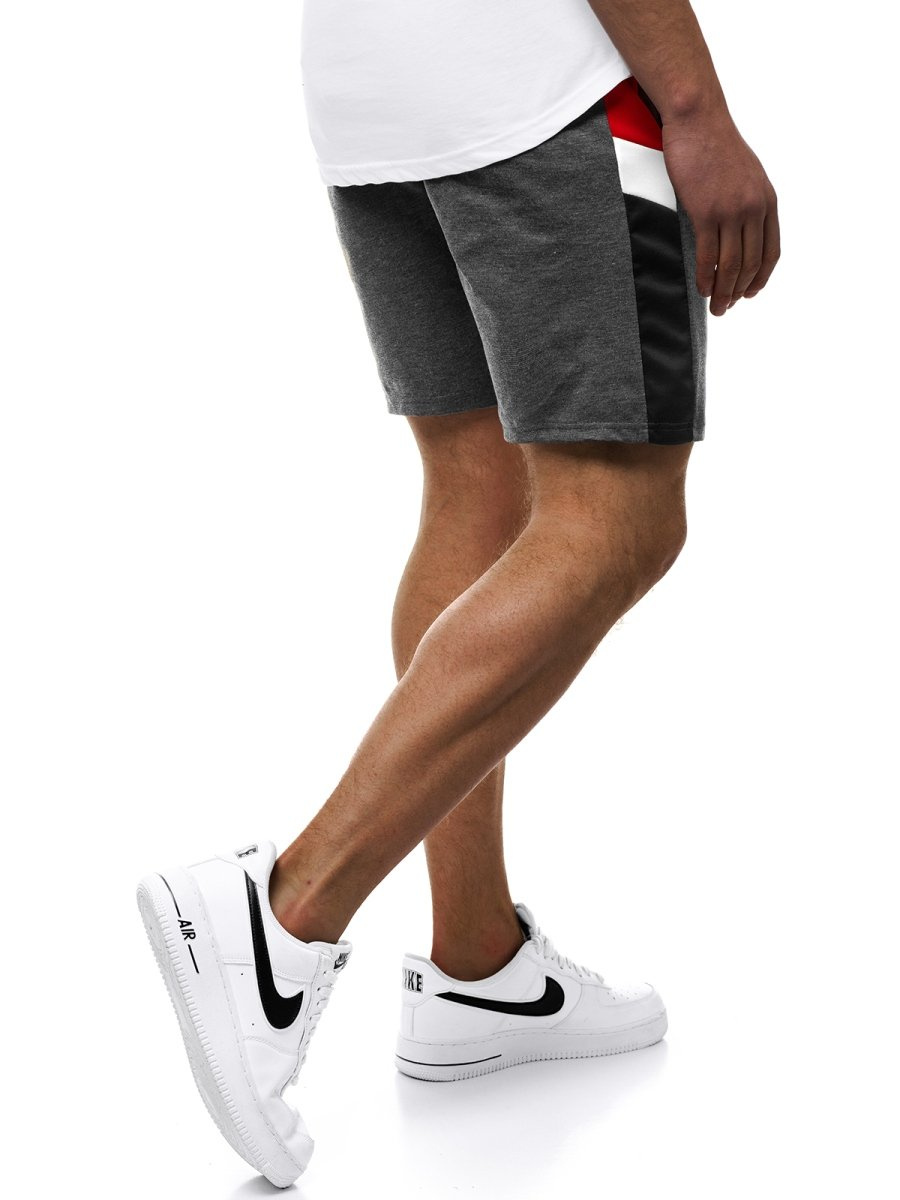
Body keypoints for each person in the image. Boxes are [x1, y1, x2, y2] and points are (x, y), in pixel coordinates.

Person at [137, 0, 779, 1187]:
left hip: (375, 93)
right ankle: (282, 917)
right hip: (546, 88)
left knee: (477, 502)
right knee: (619, 519)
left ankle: (476, 965)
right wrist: (695, 107)